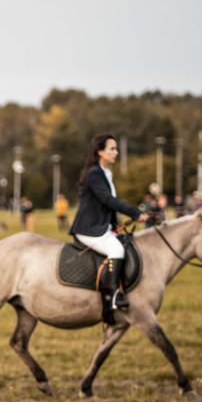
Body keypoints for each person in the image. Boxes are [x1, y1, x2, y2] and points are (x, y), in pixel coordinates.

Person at [69, 134, 148, 316]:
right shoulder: (94, 173)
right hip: (89, 228)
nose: (116, 152)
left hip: (103, 227)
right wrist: (134, 213)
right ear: (99, 152)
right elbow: (108, 200)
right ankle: (113, 294)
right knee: (117, 251)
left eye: (116, 148)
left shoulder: (105, 173)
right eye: (112, 149)